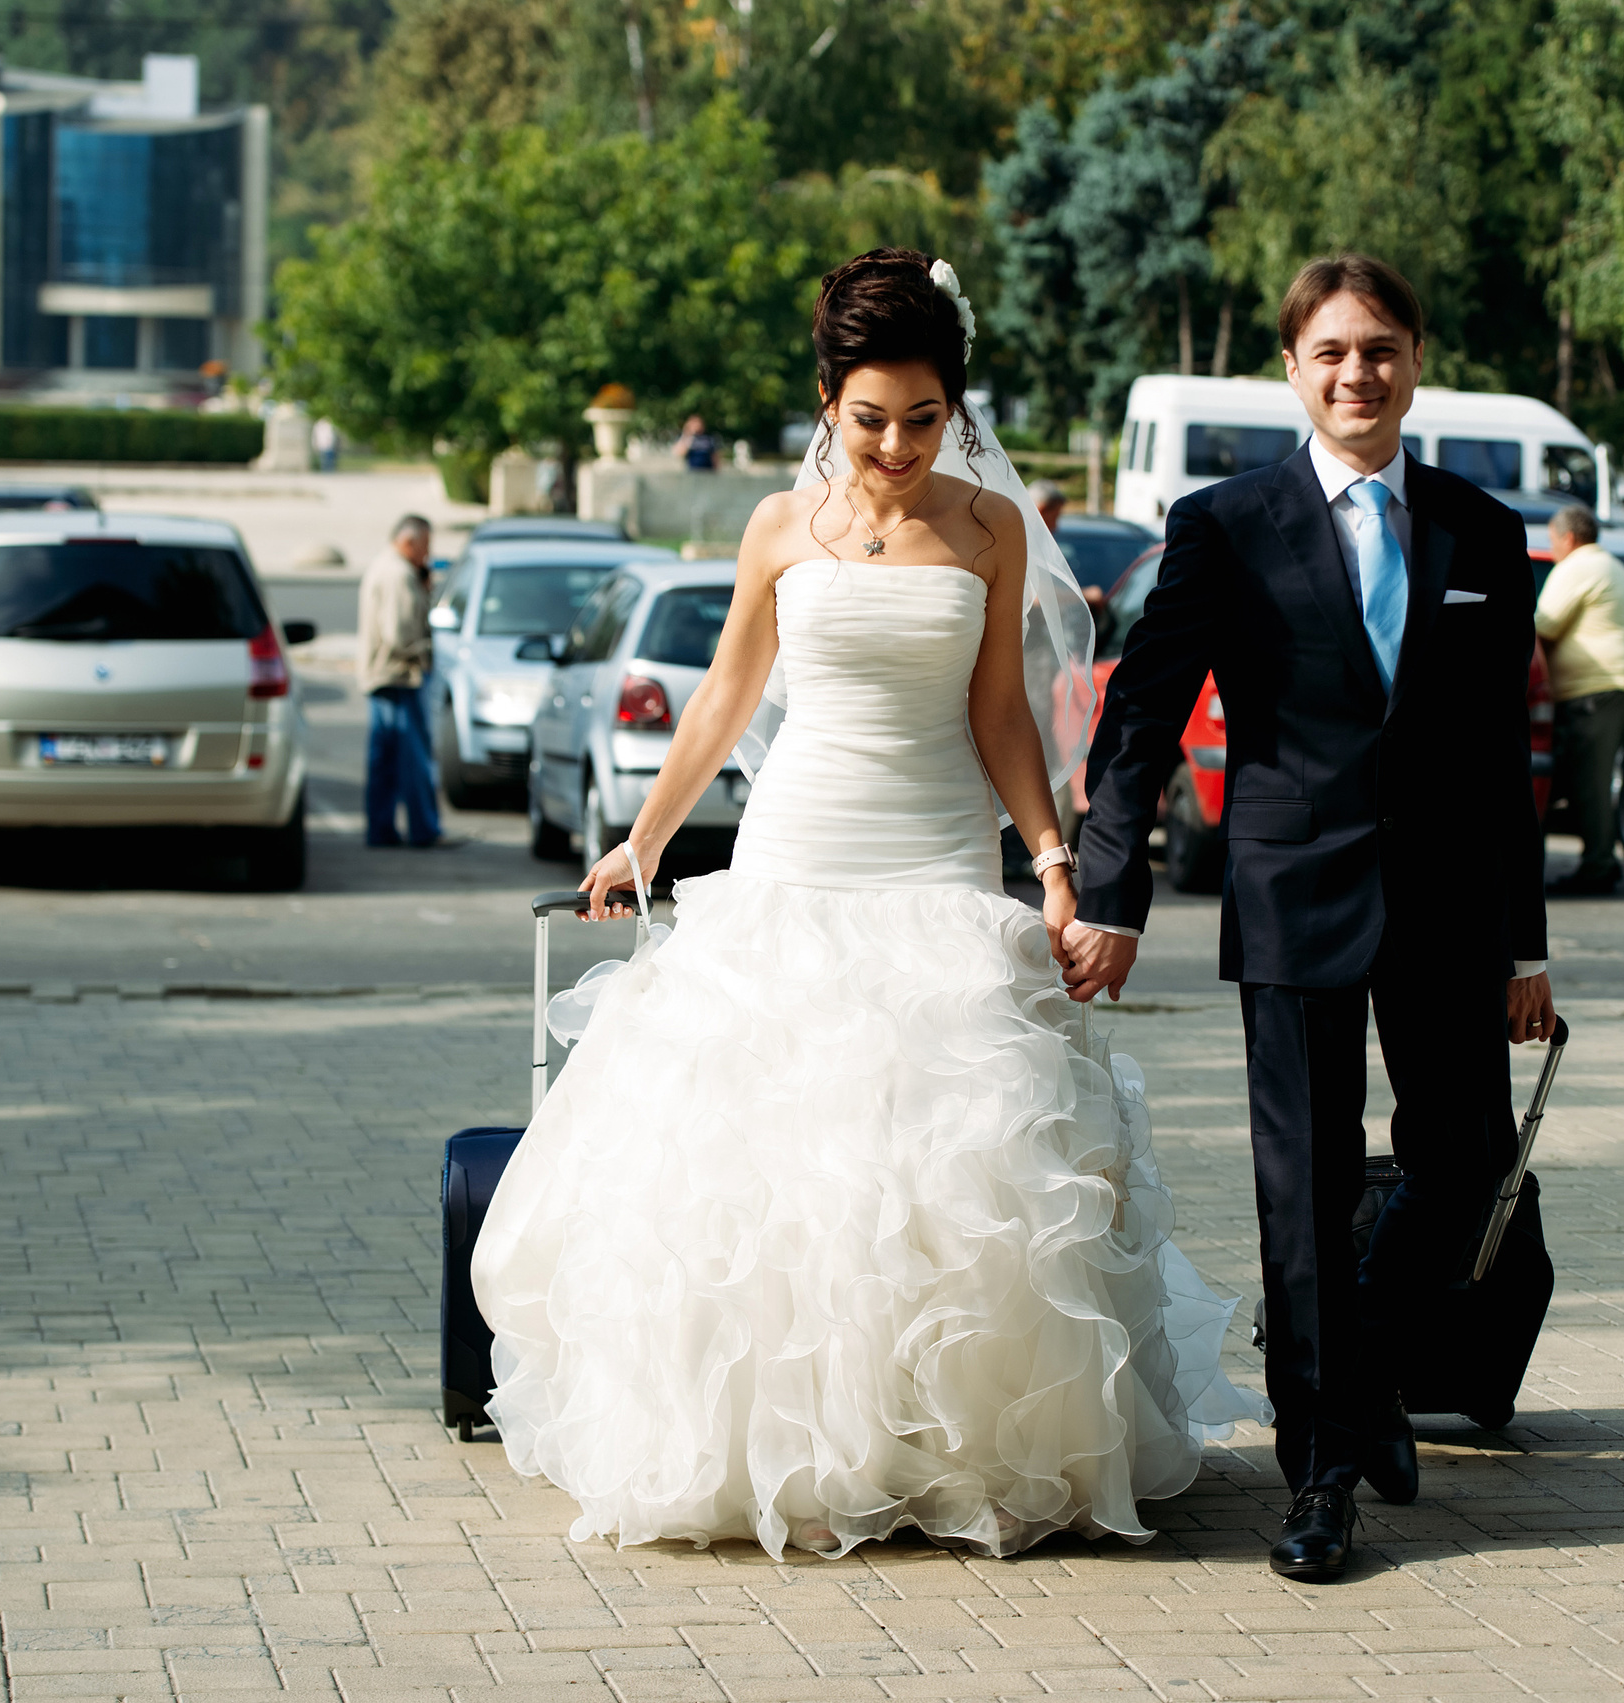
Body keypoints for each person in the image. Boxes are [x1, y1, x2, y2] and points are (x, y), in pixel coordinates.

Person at [472, 249, 1263, 1565]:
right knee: (785, 1161)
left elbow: (1000, 711)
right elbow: (723, 698)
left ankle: (962, 1449)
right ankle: (803, 1455)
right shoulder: (781, 529)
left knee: (960, 1156)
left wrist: (1055, 861)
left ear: (956, 409)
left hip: (942, 852)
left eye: (922, 419)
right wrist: (644, 841)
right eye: (867, 418)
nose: (895, 446)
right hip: (796, 850)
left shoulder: (990, 529)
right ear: (826, 404)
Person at [1065, 254, 1556, 1584]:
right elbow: (1141, 717)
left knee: (1461, 1156)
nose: (1359, 372)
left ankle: (1363, 1371)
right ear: (1295, 367)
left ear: (1415, 360)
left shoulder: (1484, 532)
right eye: (1333, 350)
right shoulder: (1229, 523)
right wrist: (1110, 891)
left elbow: (1505, 753)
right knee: (1309, 1185)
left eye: (1382, 348)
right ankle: (1323, 1476)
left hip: (1451, 908)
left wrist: (1528, 940)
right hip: (1293, 898)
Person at [1536, 505, 1624, 895]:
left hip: (1599, 685)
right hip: (1621, 681)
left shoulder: (1576, 568)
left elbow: (1541, 626)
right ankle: (1597, 859)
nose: (1552, 550)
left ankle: (1599, 866)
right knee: (1586, 775)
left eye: (1553, 542)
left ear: (1568, 538)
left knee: (1591, 779)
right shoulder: (1610, 565)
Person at [358, 514, 451, 848]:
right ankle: (424, 829)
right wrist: (426, 648)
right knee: (413, 760)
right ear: (410, 542)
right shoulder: (399, 574)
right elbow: (400, 635)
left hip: (382, 675)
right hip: (400, 676)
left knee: (383, 760)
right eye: (425, 546)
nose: (427, 554)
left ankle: (380, 829)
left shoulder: (385, 566)